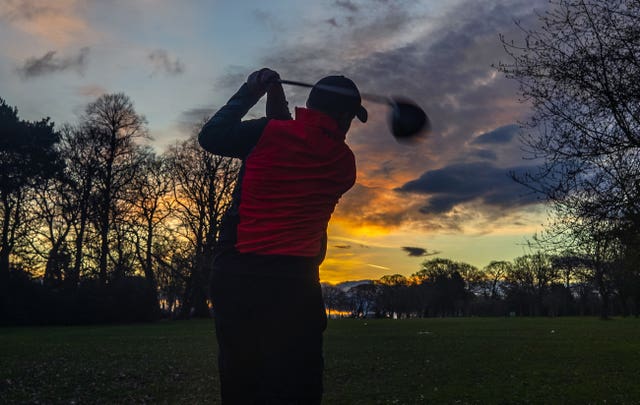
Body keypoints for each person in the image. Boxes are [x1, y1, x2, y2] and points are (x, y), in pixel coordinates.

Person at [198, 67, 367, 404]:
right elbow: (292, 137)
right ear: (344, 118)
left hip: (236, 276)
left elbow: (212, 136)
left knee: (241, 379)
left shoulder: (268, 134)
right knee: (297, 383)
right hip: (294, 283)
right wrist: (275, 101)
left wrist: (251, 91)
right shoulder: (343, 163)